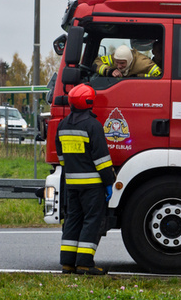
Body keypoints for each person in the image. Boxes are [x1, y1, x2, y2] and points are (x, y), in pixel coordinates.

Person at [56, 84, 116, 275]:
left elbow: (61, 157)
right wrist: (109, 182)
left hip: (72, 184)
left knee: (73, 220)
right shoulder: (93, 125)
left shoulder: (62, 125)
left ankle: (67, 263)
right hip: (92, 185)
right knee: (92, 221)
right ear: (90, 102)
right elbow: (102, 160)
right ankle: (84, 264)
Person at [93, 44, 162, 78]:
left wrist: (138, 76)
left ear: (129, 60)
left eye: (122, 63)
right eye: (117, 62)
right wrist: (109, 71)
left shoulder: (144, 63)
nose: (119, 66)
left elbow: (160, 76)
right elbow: (96, 62)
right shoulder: (114, 57)